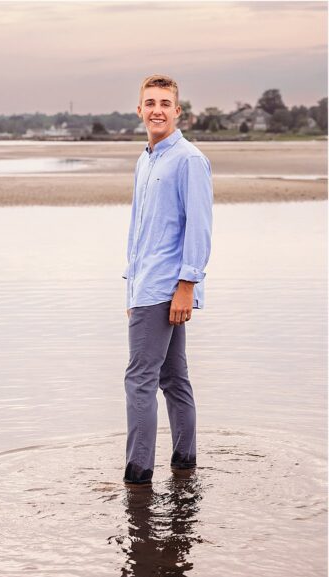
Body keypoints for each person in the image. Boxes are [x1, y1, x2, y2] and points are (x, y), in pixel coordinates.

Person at [122, 74, 212, 485]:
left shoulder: (189, 159)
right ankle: (185, 465)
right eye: (150, 102)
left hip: (168, 288)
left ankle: (137, 476)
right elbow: (138, 230)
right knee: (173, 378)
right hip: (146, 287)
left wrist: (187, 285)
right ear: (139, 110)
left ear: (178, 111)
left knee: (139, 380)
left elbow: (199, 226)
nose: (157, 109)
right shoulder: (146, 159)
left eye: (165, 103)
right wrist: (131, 288)